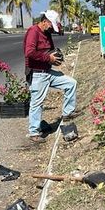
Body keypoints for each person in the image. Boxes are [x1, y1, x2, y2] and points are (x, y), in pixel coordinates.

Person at [23, 9, 78, 143]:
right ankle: (34, 132)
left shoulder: (47, 34)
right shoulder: (33, 31)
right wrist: (48, 58)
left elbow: (51, 51)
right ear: (44, 21)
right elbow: (29, 52)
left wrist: (57, 56)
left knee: (71, 83)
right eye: (50, 25)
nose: (51, 29)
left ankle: (67, 113)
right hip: (37, 74)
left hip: (47, 71)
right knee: (37, 103)